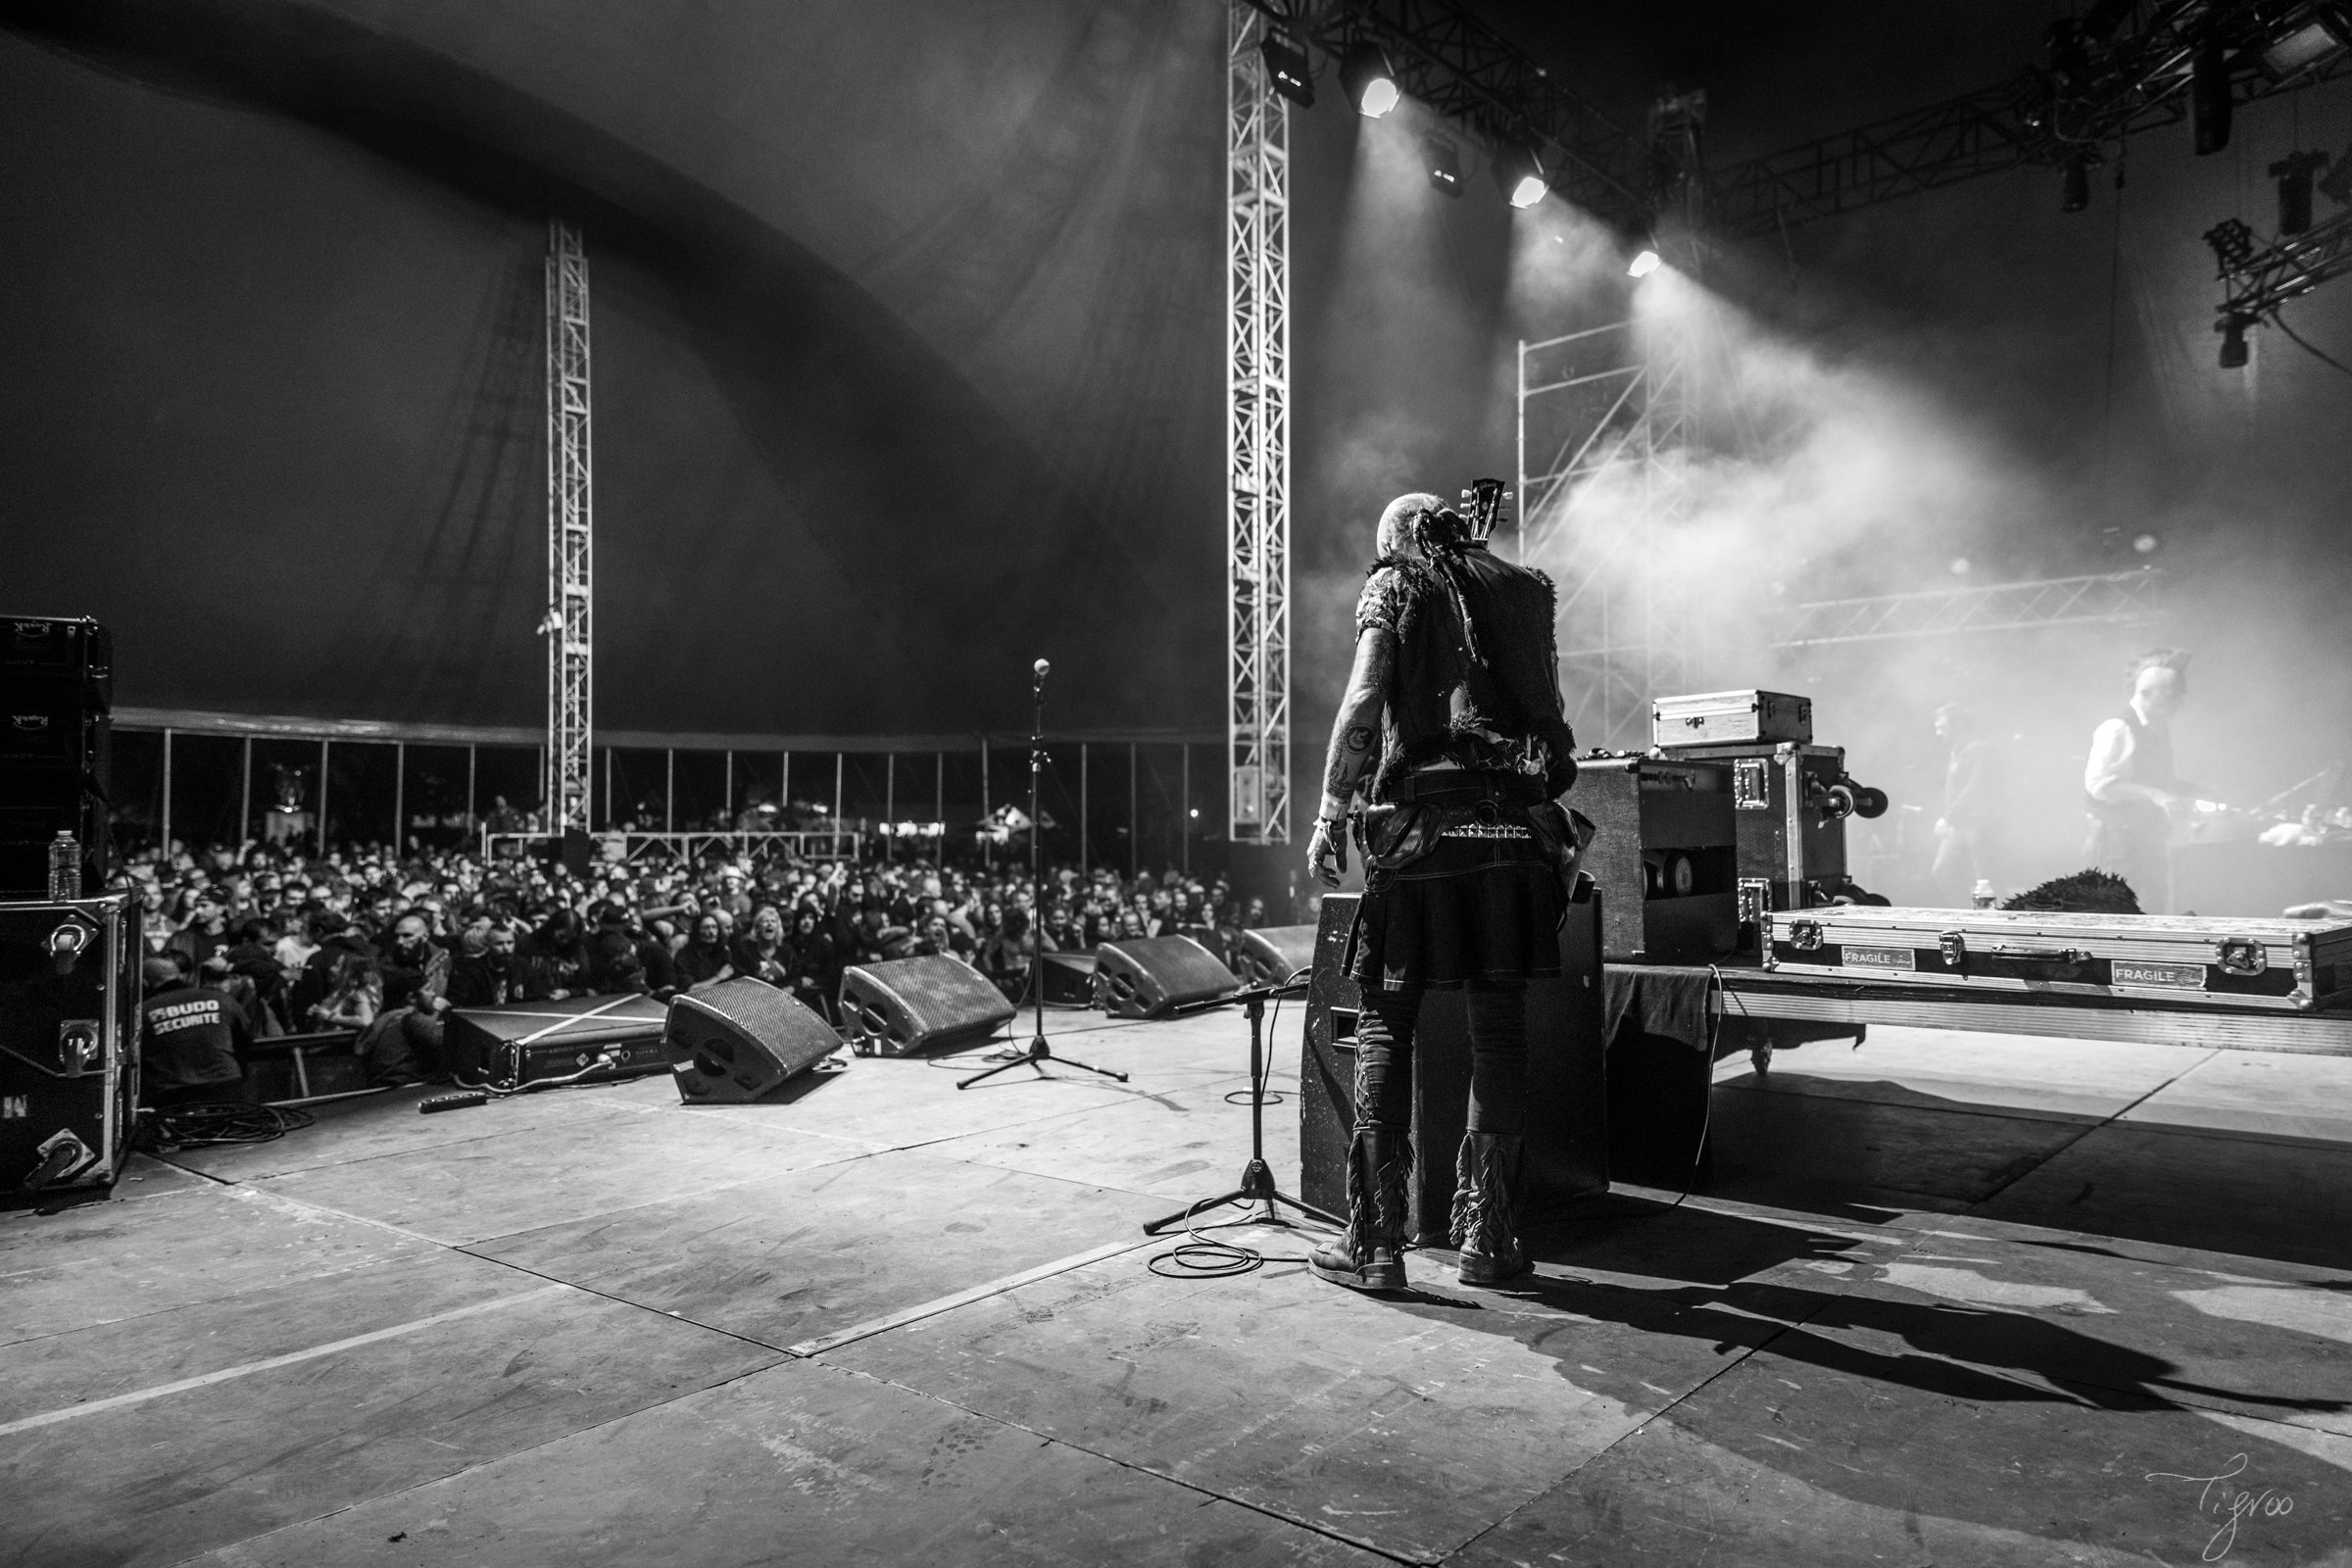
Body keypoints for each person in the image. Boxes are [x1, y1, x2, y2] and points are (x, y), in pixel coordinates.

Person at [1306, 491, 1580, 1293]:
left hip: (1425, 833)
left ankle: (1375, 1246)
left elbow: (1365, 701)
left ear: (1401, 540)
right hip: (1517, 835)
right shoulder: (1525, 591)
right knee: (1499, 1032)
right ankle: (1489, 1241)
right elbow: (1551, 714)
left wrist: (1330, 815)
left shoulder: (1397, 580)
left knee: (1387, 1022)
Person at [2083, 649, 2205, 913]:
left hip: (2148, 838)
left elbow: (2158, 782)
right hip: (2118, 841)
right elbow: (2100, 786)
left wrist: (2193, 792)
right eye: (2172, 694)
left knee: (2152, 909)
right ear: (2146, 693)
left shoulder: (2159, 727)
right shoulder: (2117, 728)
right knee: (2122, 915)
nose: (2180, 701)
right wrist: (2157, 795)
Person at [138, 952, 251, 1107]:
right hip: (226, 1085)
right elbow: (246, 1039)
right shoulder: (220, 999)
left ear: (144, 983)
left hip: (173, 1093)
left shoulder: (145, 1011)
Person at [1931, 703, 2005, 904]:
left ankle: (1992, 917)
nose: (1938, 733)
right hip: (1959, 826)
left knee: (1986, 878)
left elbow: (1975, 787)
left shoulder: (1980, 750)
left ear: (1959, 725)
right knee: (1943, 871)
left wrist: (1948, 817)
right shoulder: (1958, 752)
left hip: (1979, 825)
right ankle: (1965, 911)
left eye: (1942, 727)